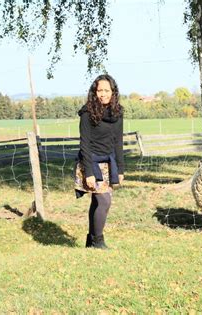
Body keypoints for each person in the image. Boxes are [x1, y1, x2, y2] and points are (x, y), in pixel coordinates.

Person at [74, 74, 124, 249]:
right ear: (94, 93)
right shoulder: (87, 113)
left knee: (97, 202)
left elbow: (118, 142)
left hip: (107, 163)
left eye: (106, 90)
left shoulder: (117, 113)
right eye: (99, 90)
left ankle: (91, 240)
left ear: (113, 92)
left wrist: (120, 170)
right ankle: (98, 241)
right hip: (90, 162)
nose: (103, 94)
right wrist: (88, 172)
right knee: (104, 201)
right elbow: (84, 144)